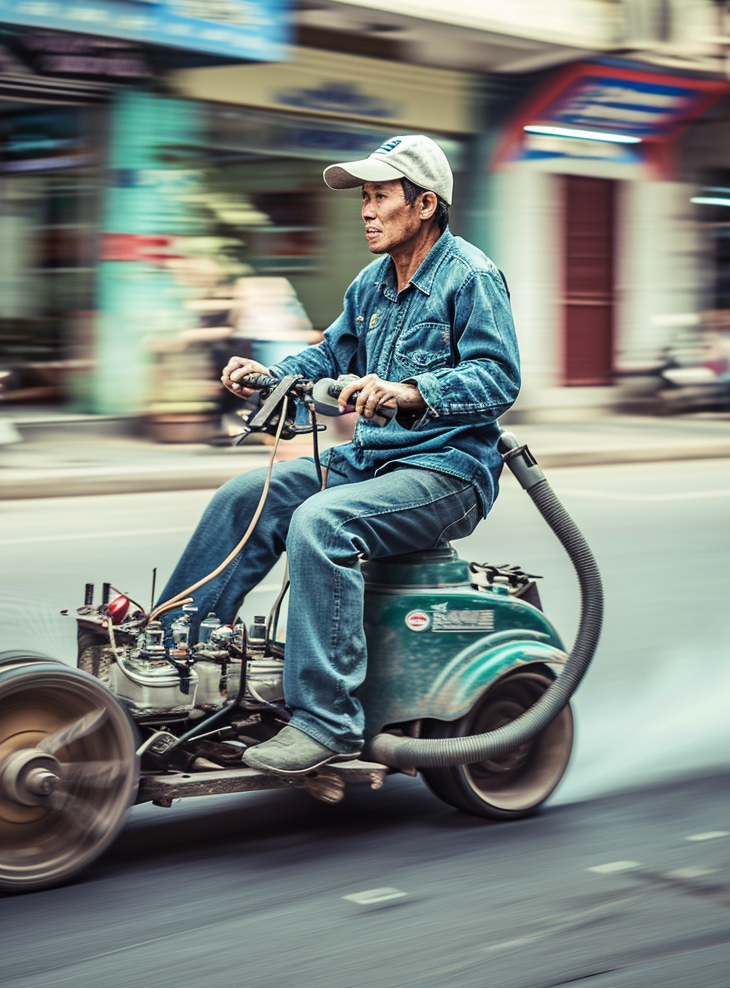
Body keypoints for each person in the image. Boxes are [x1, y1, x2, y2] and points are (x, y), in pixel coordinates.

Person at [154, 135, 521, 774]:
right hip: (373, 462)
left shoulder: (472, 276)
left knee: (321, 524)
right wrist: (267, 376)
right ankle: (176, 662)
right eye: (364, 198)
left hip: (446, 470)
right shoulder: (372, 283)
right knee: (246, 496)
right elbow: (326, 359)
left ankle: (327, 722)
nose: (366, 211)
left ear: (426, 204)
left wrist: (410, 392)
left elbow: (499, 379)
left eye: (379, 197)